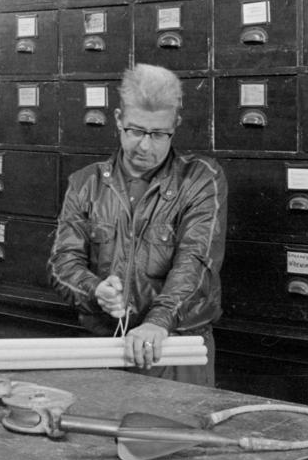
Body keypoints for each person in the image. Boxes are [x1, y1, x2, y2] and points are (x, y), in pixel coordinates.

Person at [48, 64, 227, 386]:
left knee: (175, 435)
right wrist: (94, 290)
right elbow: (63, 263)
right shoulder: (85, 183)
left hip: (173, 346)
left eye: (159, 134)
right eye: (136, 131)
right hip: (104, 345)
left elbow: (197, 260)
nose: (145, 146)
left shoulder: (201, 178)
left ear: (176, 124)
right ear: (118, 120)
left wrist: (158, 322)